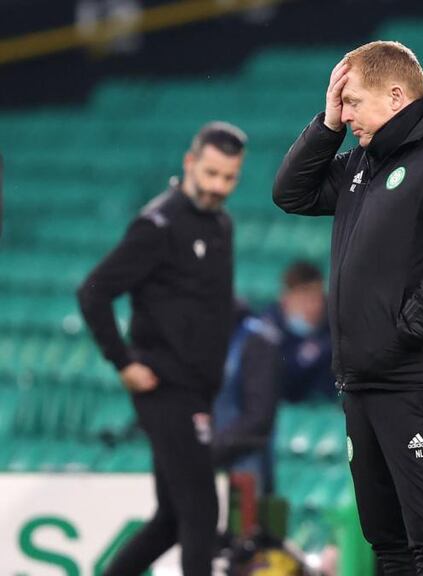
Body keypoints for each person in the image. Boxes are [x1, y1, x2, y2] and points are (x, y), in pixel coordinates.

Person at [272, 41, 423, 575]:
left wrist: (398, 335)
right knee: (388, 544)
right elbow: (291, 193)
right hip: (367, 381)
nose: (345, 114)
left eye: (351, 102)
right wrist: (326, 124)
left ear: (396, 96)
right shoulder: (365, 162)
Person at [77, 121, 247, 575]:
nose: (218, 186)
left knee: (172, 519)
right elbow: (93, 291)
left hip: (198, 389)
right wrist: (122, 361)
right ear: (190, 163)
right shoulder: (158, 225)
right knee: (202, 513)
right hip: (166, 386)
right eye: (211, 173)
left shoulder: (221, 225)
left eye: (229, 177)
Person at [212, 301, 283, 496]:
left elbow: (259, 416)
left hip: (244, 461)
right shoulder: (200, 336)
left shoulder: (256, 340)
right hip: (208, 458)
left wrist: (210, 448)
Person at [264, 260, 334, 403]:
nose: (312, 307)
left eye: (316, 299)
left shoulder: (333, 330)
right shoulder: (265, 333)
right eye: (304, 299)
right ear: (285, 298)